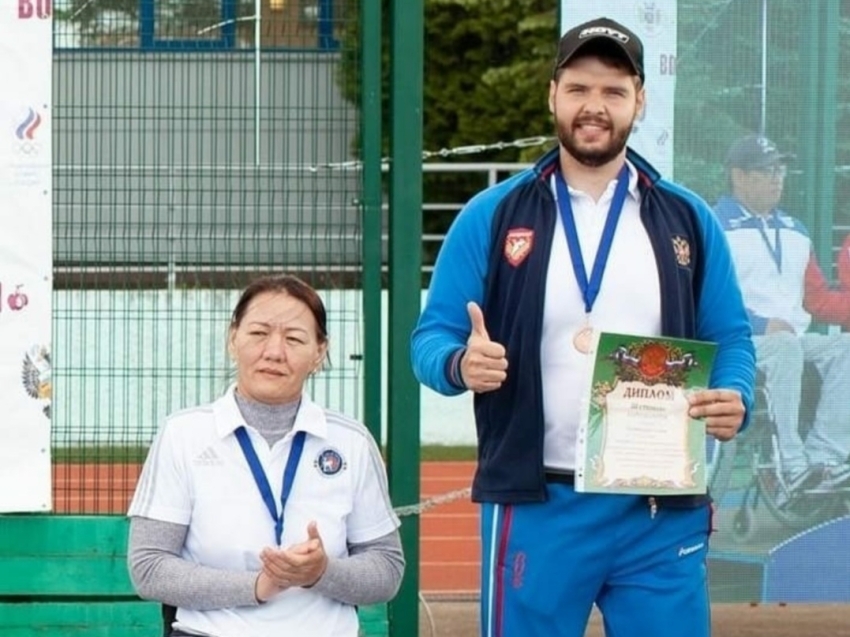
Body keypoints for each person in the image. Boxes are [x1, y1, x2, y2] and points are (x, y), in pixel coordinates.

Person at [410, 16, 755, 637]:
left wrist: (737, 396)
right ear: (552, 94)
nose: (595, 107)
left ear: (640, 101)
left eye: (614, 91)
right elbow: (430, 338)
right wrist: (461, 364)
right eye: (579, 89)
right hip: (539, 501)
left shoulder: (686, 218)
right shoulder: (491, 215)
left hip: (659, 507)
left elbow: (730, 336)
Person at [127, 274, 403, 637]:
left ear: (319, 352)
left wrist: (321, 572)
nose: (274, 351)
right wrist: (257, 586)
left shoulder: (350, 442)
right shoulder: (183, 434)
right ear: (233, 339)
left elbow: (387, 570)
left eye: (294, 338)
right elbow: (149, 566)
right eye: (258, 333)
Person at [715, 134, 850, 493]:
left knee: (846, 348)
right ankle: (790, 464)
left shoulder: (795, 230)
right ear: (739, 176)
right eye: (766, 171)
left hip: (790, 340)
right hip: (735, 341)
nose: (777, 178)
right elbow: (701, 296)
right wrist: (760, 323)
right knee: (784, 346)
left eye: (781, 170)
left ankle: (826, 456)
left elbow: (816, 299)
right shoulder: (713, 227)